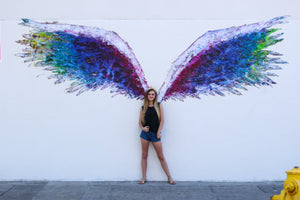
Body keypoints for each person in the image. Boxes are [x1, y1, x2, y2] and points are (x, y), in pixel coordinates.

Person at [138, 88, 176, 185]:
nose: (151, 96)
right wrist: (143, 128)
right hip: (145, 135)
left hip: (155, 134)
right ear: (147, 96)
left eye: (153, 94)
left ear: (155, 96)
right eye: (150, 94)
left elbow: (162, 120)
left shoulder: (159, 106)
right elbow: (139, 122)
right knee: (144, 155)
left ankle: (169, 177)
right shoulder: (143, 108)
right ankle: (144, 178)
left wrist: (159, 132)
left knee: (161, 156)